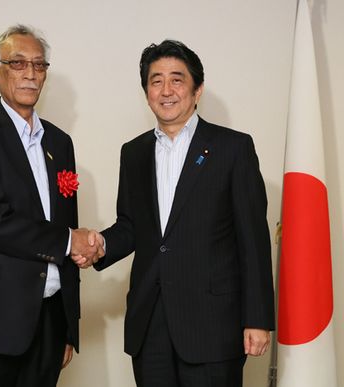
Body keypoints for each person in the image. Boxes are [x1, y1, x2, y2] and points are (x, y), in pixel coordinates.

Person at [76, 40, 275, 387]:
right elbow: (132, 225)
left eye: (177, 80)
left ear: (197, 90)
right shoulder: (134, 152)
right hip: (150, 322)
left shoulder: (233, 148)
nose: (166, 90)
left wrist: (257, 319)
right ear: (147, 92)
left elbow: (253, 240)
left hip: (213, 326)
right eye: (156, 81)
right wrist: (101, 244)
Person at [0, 25, 99, 387]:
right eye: (18, 63)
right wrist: (73, 240)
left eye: (39, 65)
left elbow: (63, 225)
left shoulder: (60, 141)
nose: (30, 73)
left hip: (48, 325)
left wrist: (67, 326)